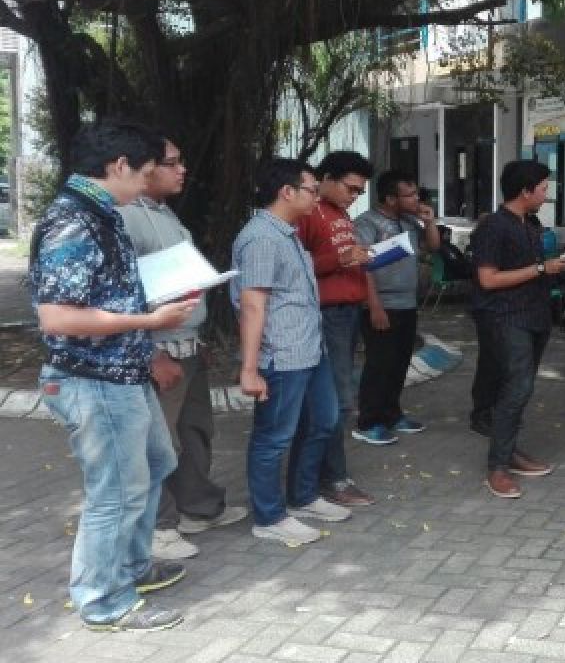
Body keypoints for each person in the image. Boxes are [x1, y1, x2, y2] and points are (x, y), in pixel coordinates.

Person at [30, 121, 199, 632]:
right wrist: (150, 322)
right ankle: (103, 600)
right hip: (93, 379)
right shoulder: (74, 222)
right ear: (118, 166)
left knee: (157, 459)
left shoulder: (103, 216)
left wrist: (146, 323)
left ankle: (130, 566)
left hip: (122, 373)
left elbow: (102, 298)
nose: (150, 182)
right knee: (115, 491)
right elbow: (57, 317)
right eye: (146, 172)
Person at [116, 134, 248, 561]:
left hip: (188, 346)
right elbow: (123, 296)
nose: (182, 170)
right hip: (159, 348)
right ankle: (158, 527)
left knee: (195, 432)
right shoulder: (125, 218)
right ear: (142, 166)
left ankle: (198, 507)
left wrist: (199, 339)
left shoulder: (166, 215)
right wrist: (151, 353)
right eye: (172, 163)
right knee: (158, 443)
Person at [232, 158, 352, 546]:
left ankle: (303, 497)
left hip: (309, 350)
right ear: (287, 192)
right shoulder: (262, 238)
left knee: (324, 421)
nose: (317, 197)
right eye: (311, 190)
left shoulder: (287, 232)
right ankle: (269, 517)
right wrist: (250, 368)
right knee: (274, 437)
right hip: (282, 355)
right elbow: (253, 304)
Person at [469, 160, 565, 498]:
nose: (546, 195)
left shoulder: (530, 224)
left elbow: (533, 268)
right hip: (506, 317)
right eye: (542, 189)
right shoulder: (493, 226)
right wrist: (542, 268)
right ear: (524, 191)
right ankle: (497, 467)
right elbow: (488, 278)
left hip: (535, 315)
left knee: (520, 389)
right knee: (516, 387)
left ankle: (509, 451)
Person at [295, 151, 376, 507]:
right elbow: (294, 265)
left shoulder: (339, 213)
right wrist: (340, 259)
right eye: (350, 188)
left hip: (347, 312)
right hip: (326, 315)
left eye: (359, 192)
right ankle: (332, 479)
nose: (354, 196)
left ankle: (325, 477)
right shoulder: (308, 213)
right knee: (336, 402)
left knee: (338, 399)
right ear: (326, 178)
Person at [351, 171, 441, 445]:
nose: (416, 199)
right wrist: (373, 304)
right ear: (390, 198)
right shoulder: (367, 223)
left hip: (406, 303)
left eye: (416, 194)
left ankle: (391, 413)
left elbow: (433, 247)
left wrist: (429, 222)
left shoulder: (410, 222)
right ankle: (368, 421)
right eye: (409, 195)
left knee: (400, 362)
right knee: (379, 364)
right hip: (382, 304)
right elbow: (362, 264)